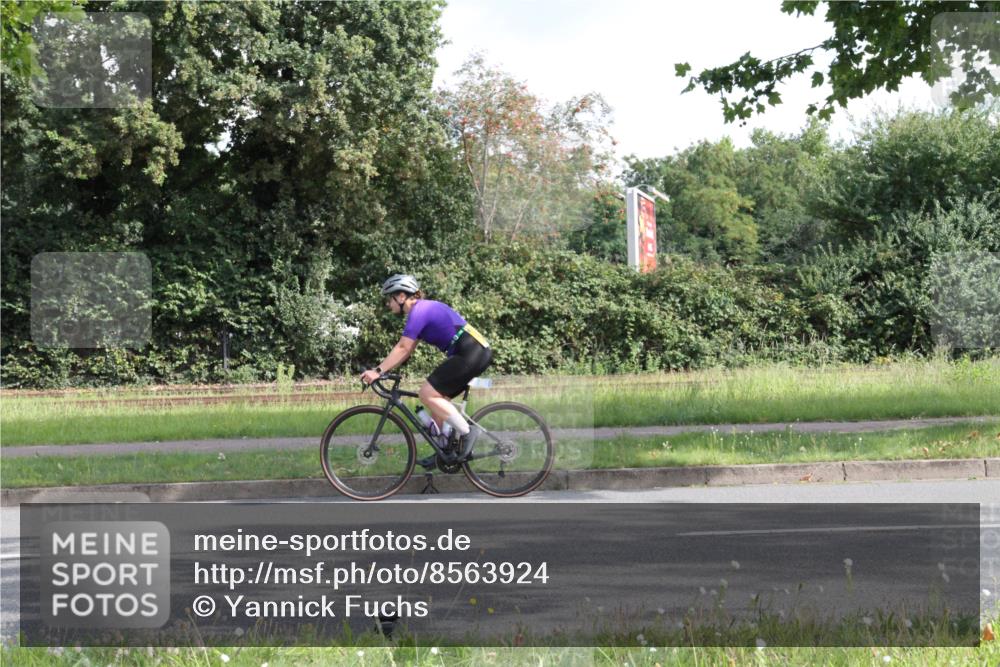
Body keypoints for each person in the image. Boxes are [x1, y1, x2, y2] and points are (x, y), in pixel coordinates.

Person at [359, 274, 492, 459]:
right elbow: (407, 350)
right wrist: (384, 370)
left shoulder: (419, 311)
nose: (388, 304)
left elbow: (403, 347)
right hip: (472, 351)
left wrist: (378, 371)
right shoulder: (422, 311)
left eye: (390, 299)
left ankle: (467, 432)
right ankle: (444, 451)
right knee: (437, 400)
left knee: (427, 394)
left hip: (471, 352)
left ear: (401, 296)